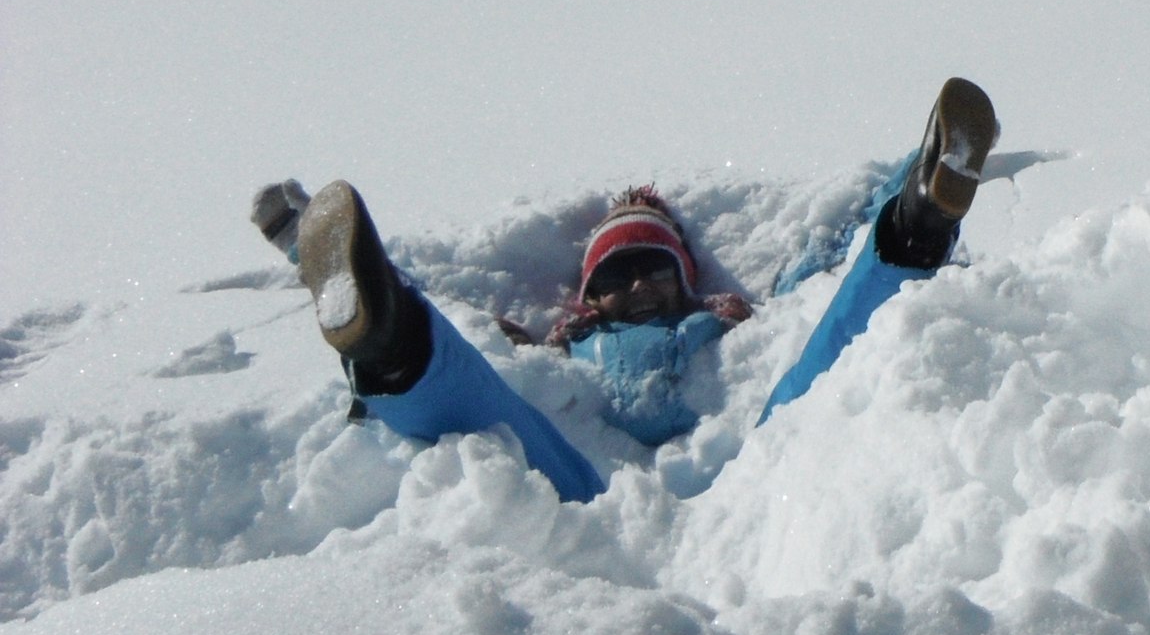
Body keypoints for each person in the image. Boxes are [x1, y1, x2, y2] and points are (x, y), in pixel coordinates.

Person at [250, 78, 1002, 504]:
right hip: (592, 494)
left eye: (654, 269)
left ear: (685, 279)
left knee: (817, 372)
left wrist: (902, 170)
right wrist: (299, 237)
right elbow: (469, 325)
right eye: (615, 276)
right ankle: (388, 336)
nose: (638, 284)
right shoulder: (564, 347)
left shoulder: (727, 322)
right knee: (501, 420)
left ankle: (920, 211)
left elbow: (824, 267)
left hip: (748, 472)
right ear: (589, 298)